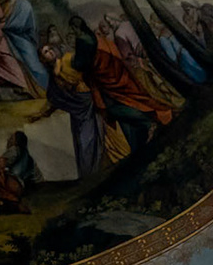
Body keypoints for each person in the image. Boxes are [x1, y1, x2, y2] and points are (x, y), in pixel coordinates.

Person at [71, 14, 171, 158]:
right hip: (110, 80)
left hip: (110, 82)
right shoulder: (95, 39)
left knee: (116, 110)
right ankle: (140, 147)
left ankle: (149, 124)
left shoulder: (85, 40)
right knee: (125, 117)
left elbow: (82, 63)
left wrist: (77, 63)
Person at [35, 27, 105, 177]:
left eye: (49, 49)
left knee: (96, 137)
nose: (50, 52)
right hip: (78, 110)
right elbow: (55, 97)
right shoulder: (53, 75)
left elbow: (85, 73)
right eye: (45, 52)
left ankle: (95, 170)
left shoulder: (68, 59)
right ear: (43, 59)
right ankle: (87, 174)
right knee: (82, 142)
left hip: (88, 101)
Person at [1, 0, 49, 89]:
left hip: (22, 38)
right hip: (6, 36)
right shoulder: (3, 5)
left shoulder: (24, 4)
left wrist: (1, 27)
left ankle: (44, 88)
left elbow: (19, 24)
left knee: (33, 66)